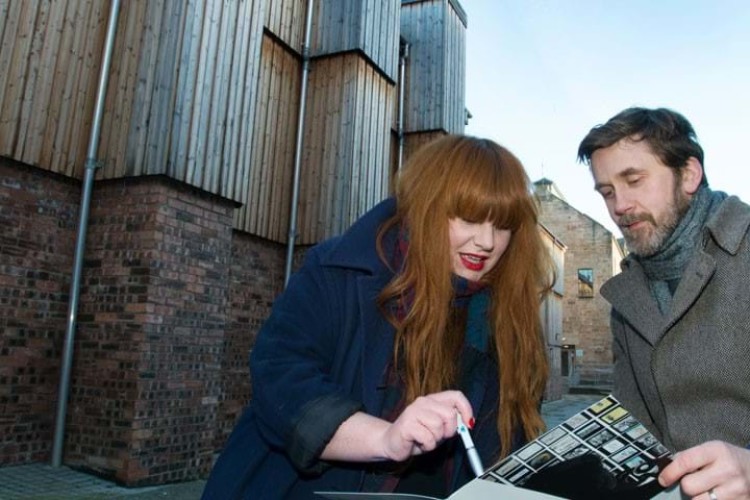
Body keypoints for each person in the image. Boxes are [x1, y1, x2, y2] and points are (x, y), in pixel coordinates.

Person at [201, 135, 554, 499]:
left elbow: (510, 448)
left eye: (503, 225)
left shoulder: (510, 318)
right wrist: (385, 438)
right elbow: (281, 376)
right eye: (469, 218)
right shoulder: (338, 271)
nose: (486, 241)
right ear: (427, 208)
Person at [577, 107, 750, 500]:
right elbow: (635, 431)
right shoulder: (624, 295)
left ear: (689, 174)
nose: (619, 205)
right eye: (606, 192)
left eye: (633, 180)